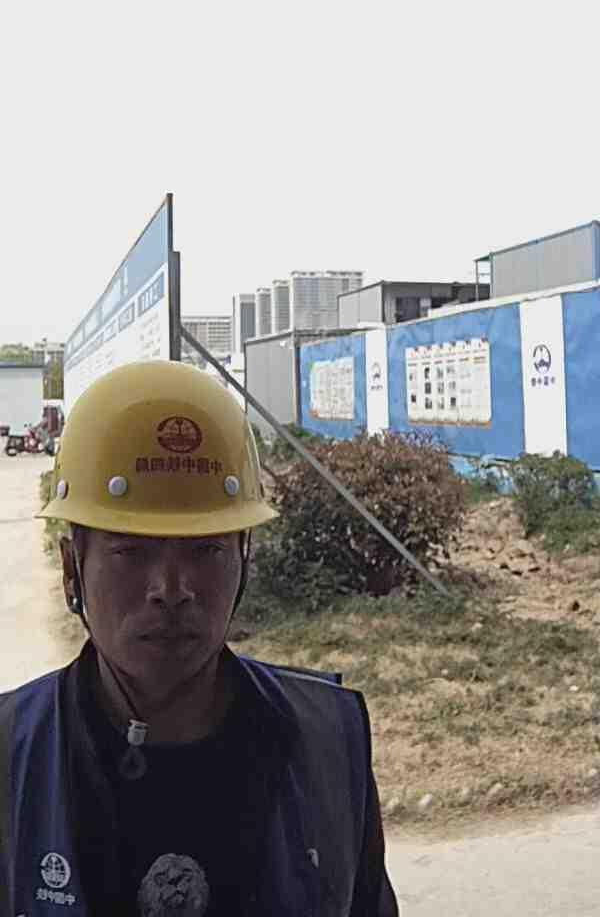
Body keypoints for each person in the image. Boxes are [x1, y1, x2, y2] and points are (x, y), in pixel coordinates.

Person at [0, 360, 398, 917]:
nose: (170, 590)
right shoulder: (12, 753)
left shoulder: (328, 741)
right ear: (72, 568)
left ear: (243, 560)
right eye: (130, 550)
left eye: (205, 549)